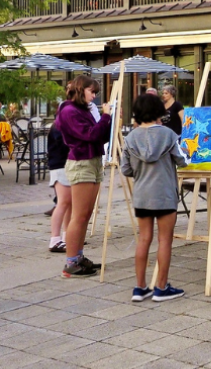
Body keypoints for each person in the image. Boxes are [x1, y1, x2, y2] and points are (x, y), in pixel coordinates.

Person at [121, 94, 188, 302]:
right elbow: (182, 160)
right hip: (165, 195)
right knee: (164, 240)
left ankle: (140, 287)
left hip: (142, 195)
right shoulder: (168, 135)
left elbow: (125, 169)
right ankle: (161, 287)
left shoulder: (130, 138)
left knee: (143, 239)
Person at [55, 75, 113, 278]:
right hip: (82, 162)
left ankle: (78, 257)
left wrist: (109, 120)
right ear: (81, 90)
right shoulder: (69, 110)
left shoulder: (83, 109)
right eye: (92, 91)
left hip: (93, 160)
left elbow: (101, 134)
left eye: (96, 92)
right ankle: (71, 262)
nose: (94, 96)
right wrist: (105, 117)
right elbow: (91, 135)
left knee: (86, 213)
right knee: (79, 215)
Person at [47, 112, 71, 253]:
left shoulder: (60, 126)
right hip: (60, 167)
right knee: (63, 203)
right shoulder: (58, 127)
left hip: (63, 166)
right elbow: (65, 145)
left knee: (68, 204)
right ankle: (55, 239)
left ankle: (66, 237)